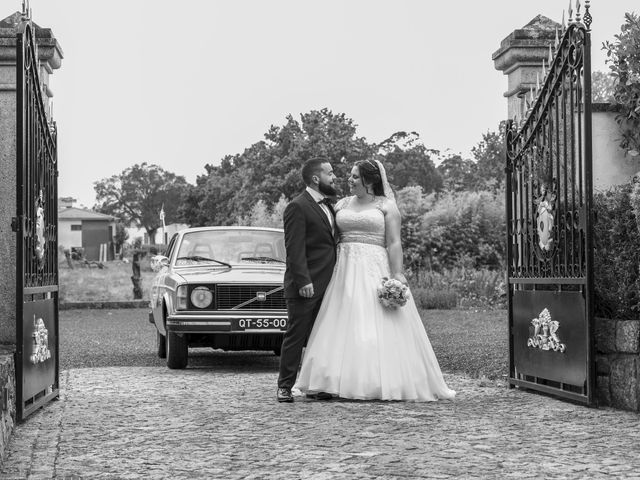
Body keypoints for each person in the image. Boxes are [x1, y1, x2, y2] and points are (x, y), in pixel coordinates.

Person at [294, 158, 456, 401]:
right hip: (344, 268)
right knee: (339, 321)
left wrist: (397, 273)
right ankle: (328, 381)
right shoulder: (340, 204)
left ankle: (377, 380)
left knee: (373, 322)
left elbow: (393, 242)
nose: (348, 180)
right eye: (349, 175)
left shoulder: (387, 206)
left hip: (374, 267)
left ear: (369, 180)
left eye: (354, 176)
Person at [276, 157, 338, 403]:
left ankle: (317, 385)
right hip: (306, 285)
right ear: (316, 178)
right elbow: (294, 249)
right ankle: (284, 386)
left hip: (329, 283)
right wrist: (303, 282)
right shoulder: (297, 207)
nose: (334, 178)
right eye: (330, 173)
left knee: (321, 336)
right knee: (296, 335)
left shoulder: (330, 205)